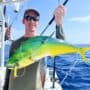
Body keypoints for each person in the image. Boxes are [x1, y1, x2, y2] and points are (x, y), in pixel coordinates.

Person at [3, 5, 66, 90]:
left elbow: (61, 45)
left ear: (38, 23)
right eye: (28, 17)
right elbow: (8, 71)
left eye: (35, 18)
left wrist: (59, 24)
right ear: (23, 21)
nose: (32, 21)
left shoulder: (43, 42)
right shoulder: (15, 44)